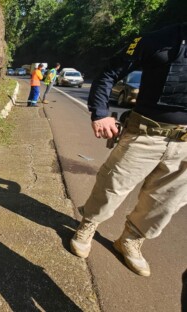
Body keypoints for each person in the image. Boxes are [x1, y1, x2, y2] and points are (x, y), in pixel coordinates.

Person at [70, 23, 187, 277]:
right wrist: (100, 113)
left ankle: (130, 240)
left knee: (166, 202)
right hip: (145, 133)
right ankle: (88, 224)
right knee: (112, 184)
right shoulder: (157, 40)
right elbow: (110, 72)